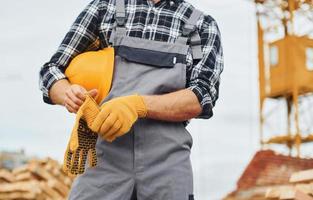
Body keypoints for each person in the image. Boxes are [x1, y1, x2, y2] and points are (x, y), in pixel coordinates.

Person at [39, 0, 224, 199]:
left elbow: (201, 96)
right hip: (103, 160)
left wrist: (137, 105)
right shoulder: (105, 8)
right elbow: (51, 71)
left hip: (166, 165)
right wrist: (69, 94)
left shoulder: (201, 25)